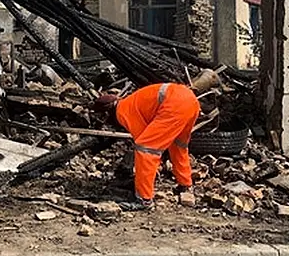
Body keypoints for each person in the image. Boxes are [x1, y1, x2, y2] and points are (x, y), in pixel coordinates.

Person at [93, 69, 221, 211]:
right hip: (190, 103)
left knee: (144, 149)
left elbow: (146, 145)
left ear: (108, 111)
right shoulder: (131, 101)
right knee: (178, 145)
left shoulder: (122, 111)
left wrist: (142, 172)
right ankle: (185, 184)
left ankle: (144, 200)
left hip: (174, 104)